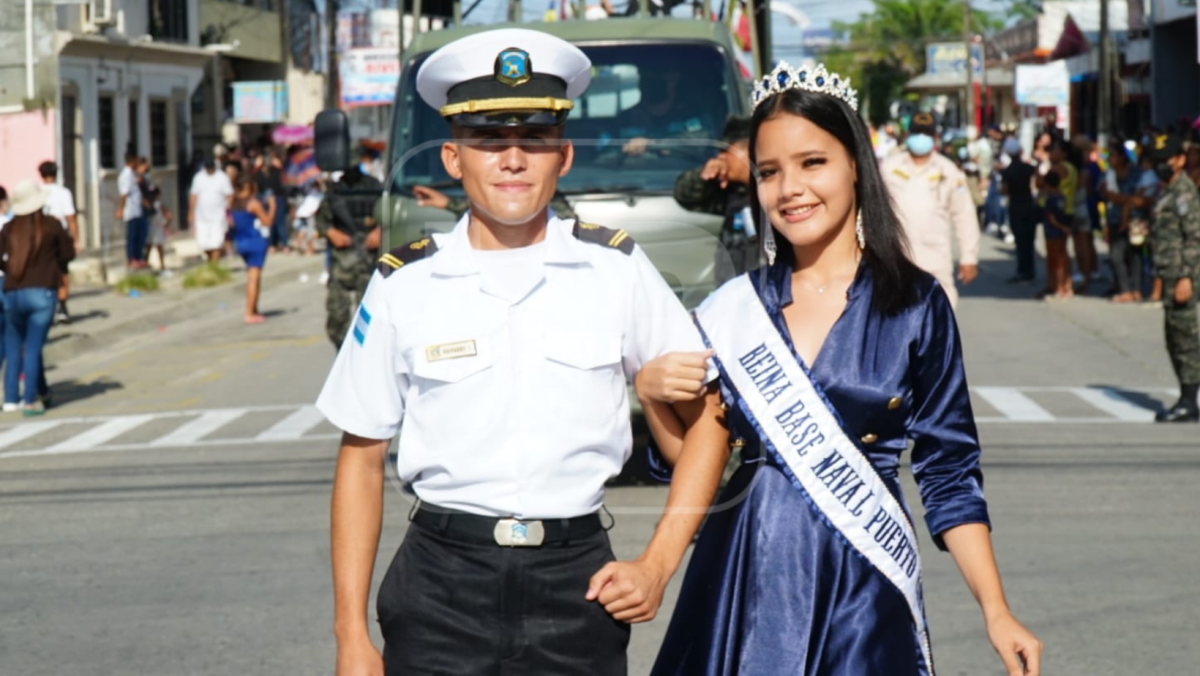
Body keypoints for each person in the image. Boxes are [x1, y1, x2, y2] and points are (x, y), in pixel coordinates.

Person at [316, 28, 728, 676]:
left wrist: (658, 563)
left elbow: (711, 422)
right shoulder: (404, 282)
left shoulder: (614, 268)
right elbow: (361, 459)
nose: (513, 158)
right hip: (439, 588)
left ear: (562, 156)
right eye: (489, 140)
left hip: (578, 587)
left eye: (534, 138)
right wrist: (350, 634)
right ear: (454, 158)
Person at [636, 62, 1042, 676]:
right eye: (769, 172)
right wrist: (654, 396)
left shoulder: (914, 304)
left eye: (812, 163)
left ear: (855, 162)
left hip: (861, 577)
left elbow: (949, 470)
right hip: (743, 570)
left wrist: (996, 609)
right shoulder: (734, 309)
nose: (790, 188)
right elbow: (694, 459)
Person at [881, 112, 980, 307]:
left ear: (935, 138)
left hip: (935, 259)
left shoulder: (948, 170)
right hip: (896, 260)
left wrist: (969, 257)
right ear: (909, 135)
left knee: (939, 322)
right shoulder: (889, 168)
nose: (921, 138)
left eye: (926, 133)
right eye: (917, 133)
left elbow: (964, 215)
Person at [0, 180, 74, 415]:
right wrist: (57, 270)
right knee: (33, 346)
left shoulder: (9, 228)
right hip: (42, 293)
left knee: (13, 346)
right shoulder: (51, 226)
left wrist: (10, 270)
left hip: (11, 292)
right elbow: (67, 253)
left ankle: (12, 398)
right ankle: (30, 399)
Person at [1147, 134, 1200, 423]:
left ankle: (1190, 401)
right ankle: (1185, 396)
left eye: (1166, 160)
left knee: (1185, 339)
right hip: (1168, 274)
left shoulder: (1184, 192)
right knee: (1173, 338)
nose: (1161, 166)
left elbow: (1194, 238)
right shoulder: (1167, 190)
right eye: (1157, 161)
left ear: (1180, 160)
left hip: (1182, 276)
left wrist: (1185, 277)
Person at [673, 115, 756, 285]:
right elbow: (684, 194)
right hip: (733, 292)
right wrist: (705, 177)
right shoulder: (729, 192)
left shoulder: (776, 194)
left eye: (726, 151)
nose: (721, 158)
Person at [316, 161, 383, 348]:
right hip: (343, 259)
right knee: (337, 317)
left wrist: (380, 230)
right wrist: (331, 232)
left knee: (371, 316)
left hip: (370, 261)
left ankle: (369, 355)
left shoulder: (375, 187)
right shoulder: (335, 191)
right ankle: (343, 354)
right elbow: (321, 219)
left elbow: (391, 213)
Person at [1102, 145, 1146, 303]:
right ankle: (1125, 288)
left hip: (1136, 219)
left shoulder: (1136, 173)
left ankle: (1137, 289)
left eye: (1112, 155)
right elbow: (1108, 195)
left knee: (1136, 254)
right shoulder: (1108, 174)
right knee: (1116, 255)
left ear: (1121, 157)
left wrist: (1125, 201)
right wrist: (1127, 200)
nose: (1109, 159)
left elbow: (1141, 194)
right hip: (1115, 219)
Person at [38, 161, 80, 323]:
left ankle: (48, 305)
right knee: (62, 271)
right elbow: (71, 218)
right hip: (59, 236)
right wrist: (76, 239)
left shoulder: (38, 192)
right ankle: (62, 306)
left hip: (40, 236)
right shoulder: (63, 193)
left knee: (43, 271)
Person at [229, 176, 274, 324]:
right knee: (254, 278)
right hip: (254, 240)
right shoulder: (252, 203)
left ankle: (254, 309)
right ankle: (249, 312)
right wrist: (273, 207)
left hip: (240, 241)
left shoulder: (233, 203)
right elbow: (267, 222)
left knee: (251, 275)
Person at [1000, 138, 1039, 284]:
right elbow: (1036, 182)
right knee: (1029, 240)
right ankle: (1030, 270)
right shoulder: (1028, 168)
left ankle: (1022, 270)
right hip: (1029, 206)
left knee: (1020, 241)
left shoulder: (1007, 171)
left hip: (1015, 207)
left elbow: (1004, 190)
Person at [189, 158, 234, 263]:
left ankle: (214, 266)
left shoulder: (221, 177)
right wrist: (190, 212)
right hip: (202, 216)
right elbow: (193, 195)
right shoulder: (198, 177)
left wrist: (227, 209)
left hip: (218, 216)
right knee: (204, 244)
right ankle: (211, 262)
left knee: (217, 243)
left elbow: (230, 194)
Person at [1041, 170, 1073, 300]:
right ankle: (1065, 286)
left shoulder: (1050, 200)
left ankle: (1059, 287)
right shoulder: (1062, 198)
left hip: (1053, 233)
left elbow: (1052, 218)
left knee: (1055, 261)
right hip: (1061, 232)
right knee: (1062, 259)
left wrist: (1062, 227)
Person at [116, 151, 147, 269]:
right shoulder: (126, 175)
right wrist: (121, 209)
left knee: (140, 236)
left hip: (136, 209)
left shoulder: (132, 174)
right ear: (133, 161)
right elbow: (124, 194)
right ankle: (132, 259)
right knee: (132, 236)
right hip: (131, 211)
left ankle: (138, 258)